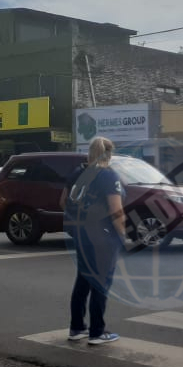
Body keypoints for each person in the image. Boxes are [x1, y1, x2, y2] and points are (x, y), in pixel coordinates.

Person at [61, 136, 127, 345]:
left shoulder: (78, 173)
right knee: (101, 283)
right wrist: (123, 234)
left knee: (83, 280)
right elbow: (116, 210)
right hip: (104, 237)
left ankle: (77, 327)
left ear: (89, 153)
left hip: (81, 234)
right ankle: (97, 332)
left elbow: (63, 201)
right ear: (109, 154)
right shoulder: (108, 175)